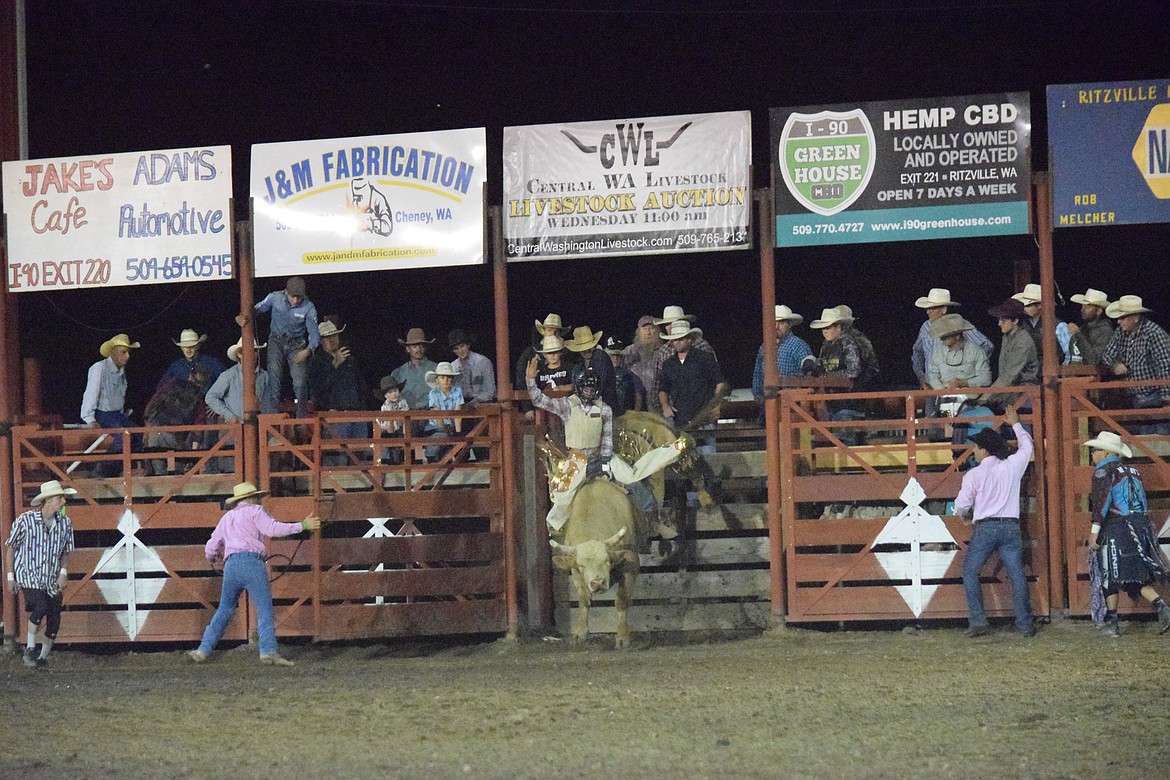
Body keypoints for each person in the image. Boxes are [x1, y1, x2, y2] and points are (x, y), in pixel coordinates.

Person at [188, 482, 320, 666]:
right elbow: (272, 529)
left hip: (231, 566)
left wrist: (212, 557)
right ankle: (268, 651)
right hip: (253, 563)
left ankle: (203, 650)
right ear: (251, 497)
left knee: (224, 609)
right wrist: (303, 525)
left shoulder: (227, 518)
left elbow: (211, 547)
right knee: (264, 610)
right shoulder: (256, 511)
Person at [953, 407, 1036, 638]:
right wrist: (1016, 424)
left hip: (986, 527)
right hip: (1010, 526)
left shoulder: (974, 475)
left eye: (976, 448)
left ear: (984, 450)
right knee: (1016, 574)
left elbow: (961, 505)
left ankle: (979, 621)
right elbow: (1027, 447)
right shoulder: (1011, 467)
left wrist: (964, 516)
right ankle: (1024, 624)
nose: (974, 452)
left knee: (970, 572)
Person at [1083, 430, 1170, 636]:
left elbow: (1102, 503)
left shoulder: (1103, 473)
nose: (1092, 455)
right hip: (1140, 525)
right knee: (1136, 574)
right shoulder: (1133, 471)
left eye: (1095, 451)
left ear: (1105, 453)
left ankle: (1112, 622)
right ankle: (1162, 607)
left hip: (1118, 527)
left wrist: (1094, 530)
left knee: (1109, 573)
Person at [5, 480, 76, 669]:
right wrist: (11, 576)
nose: (63, 502)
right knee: (41, 606)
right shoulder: (25, 520)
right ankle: (29, 648)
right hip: (29, 574)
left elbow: (65, 551)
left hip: (50, 576)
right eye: (60, 498)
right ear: (49, 500)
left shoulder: (65, 523)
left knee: (54, 618)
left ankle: (42, 658)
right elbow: (11, 548)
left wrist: (63, 572)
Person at [204, 339, 279, 474]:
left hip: (257, 432)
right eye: (249, 351)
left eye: (255, 351)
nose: (253, 354)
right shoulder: (229, 375)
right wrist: (229, 416)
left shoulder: (264, 376)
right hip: (235, 432)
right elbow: (210, 397)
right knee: (234, 470)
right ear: (239, 354)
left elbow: (269, 404)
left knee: (259, 470)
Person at [249, 277, 319, 417]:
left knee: (299, 382)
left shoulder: (309, 307)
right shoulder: (274, 298)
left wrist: (308, 350)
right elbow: (258, 308)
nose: (296, 300)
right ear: (286, 292)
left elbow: (314, 334)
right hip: (276, 340)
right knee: (274, 377)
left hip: (297, 344)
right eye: (293, 296)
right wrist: (249, 314)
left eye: (299, 297)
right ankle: (271, 415)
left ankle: (301, 417)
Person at [308, 320, 369, 464]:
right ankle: (333, 487)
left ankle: (360, 487)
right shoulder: (317, 362)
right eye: (327, 337)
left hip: (356, 414)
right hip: (334, 416)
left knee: (359, 458)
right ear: (321, 341)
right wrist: (335, 364)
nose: (332, 340)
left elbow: (361, 386)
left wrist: (363, 411)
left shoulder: (350, 360)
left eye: (334, 336)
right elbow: (318, 388)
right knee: (336, 459)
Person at [81, 333, 142, 474]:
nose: (128, 356)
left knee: (138, 435)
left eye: (128, 352)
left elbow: (120, 395)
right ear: (113, 352)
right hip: (103, 413)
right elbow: (91, 392)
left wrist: (122, 416)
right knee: (123, 437)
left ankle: (118, 469)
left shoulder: (121, 371)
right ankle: (105, 470)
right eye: (124, 352)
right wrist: (89, 418)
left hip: (115, 414)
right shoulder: (99, 368)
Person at [1100, 295, 1170, 415]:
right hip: (1135, 396)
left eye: (1123, 317)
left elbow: (1164, 366)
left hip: (1155, 395)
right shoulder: (1120, 333)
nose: (1118, 321)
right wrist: (1115, 365)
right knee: (1143, 432)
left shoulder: (1154, 334)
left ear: (1135, 318)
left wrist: (1166, 399)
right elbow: (1107, 354)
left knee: (1157, 432)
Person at [911, 289, 993, 390]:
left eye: (932, 308)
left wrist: (968, 371)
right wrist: (922, 378)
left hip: (956, 386)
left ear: (944, 309)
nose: (928, 312)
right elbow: (917, 352)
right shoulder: (925, 327)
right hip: (931, 386)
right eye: (927, 308)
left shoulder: (958, 326)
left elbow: (986, 345)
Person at [649, 305, 719, 420]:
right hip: (676, 413)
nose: (670, 327)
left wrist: (715, 404)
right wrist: (664, 406)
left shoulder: (701, 347)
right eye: (667, 324)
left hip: (703, 411)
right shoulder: (663, 352)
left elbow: (715, 378)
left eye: (673, 322)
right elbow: (659, 383)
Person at [657, 320, 727, 430]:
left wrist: (716, 405)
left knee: (705, 446)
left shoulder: (705, 358)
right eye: (675, 339)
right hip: (680, 420)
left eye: (680, 339)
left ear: (689, 339)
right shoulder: (668, 364)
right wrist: (665, 405)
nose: (677, 342)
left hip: (704, 418)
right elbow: (663, 388)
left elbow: (720, 382)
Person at [984, 298, 1039, 410]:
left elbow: (1010, 374)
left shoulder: (1023, 341)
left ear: (1015, 321)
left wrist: (987, 395)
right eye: (999, 319)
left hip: (1023, 396)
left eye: (1004, 320)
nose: (999, 323)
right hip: (1009, 393)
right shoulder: (1007, 336)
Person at [752, 304, 813, 404]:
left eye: (781, 322)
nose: (776, 326)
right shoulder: (764, 347)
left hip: (793, 404)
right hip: (769, 403)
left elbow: (809, 377)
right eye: (773, 322)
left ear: (789, 324)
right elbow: (758, 375)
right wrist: (758, 396)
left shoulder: (798, 345)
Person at [926, 313, 992, 396]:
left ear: (957, 336)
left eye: (946, 336)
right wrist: (943, 391)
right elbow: (933, 375)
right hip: (944, 399)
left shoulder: (975, 350)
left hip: (970, 400)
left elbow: (986, 378)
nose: (941, 338)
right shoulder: (938, 352)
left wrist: (964, 383)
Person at [1011, 282, 1070, 365]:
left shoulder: (1058, 326)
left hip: (1052, 374)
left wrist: (1062, 373)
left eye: (1028, 305)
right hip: (1028, 375)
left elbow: (1069, 353)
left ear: (1040, 305)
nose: (1024, 309)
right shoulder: (1021, 325)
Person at [566, 325, 617, 411]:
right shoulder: (578, 366)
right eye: (583, 349)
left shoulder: (600, 356)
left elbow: (598, 385)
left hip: (605, 408)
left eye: (588, 347)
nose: (586, 351)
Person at [157, 328, 226, 392]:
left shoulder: (211, 363)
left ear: (198, 346)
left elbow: (227, 380)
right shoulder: (176, 366)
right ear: (181, 348)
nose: (188, 349)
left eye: (192, 346)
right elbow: (160, 388)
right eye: (185, 347)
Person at [390, 327, 438, 411]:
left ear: (425, 347)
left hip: (432, 415)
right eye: (414, 346)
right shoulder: (398, 373)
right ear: (408, 349)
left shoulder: (436, 369)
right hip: (407, 416)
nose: (418, 349)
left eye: (421, 346)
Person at [622, 314, 663, 413]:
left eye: (652, 328)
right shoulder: (630, 351)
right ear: (638, 332)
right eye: (644, 329)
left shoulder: (664, 352)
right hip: (635, 408)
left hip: (659, 409)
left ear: (658, 331)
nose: (648, 332)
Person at [424, 361, 464, 462]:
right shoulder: (433, 393)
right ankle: (432, 456)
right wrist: (444, 430)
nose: (446, 380)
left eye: (449, 377)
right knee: (442, 436)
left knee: (458, 439)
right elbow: (438, 415)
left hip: (451, 425)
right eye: (443, 377)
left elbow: (457, 413)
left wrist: (457, 432)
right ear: (437, 380)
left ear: (452, 379)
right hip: (435, 426)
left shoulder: (457, 391)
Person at [1067, 288, 1114, 366]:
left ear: (1099, 311)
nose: (1083, 310)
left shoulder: (1106, 332)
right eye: (1082, 306)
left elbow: (1094, 360)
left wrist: (1078, 335)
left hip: (1095, 377)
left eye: (1088, 307)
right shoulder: (1082, 330)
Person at [448, 328, 497, 405]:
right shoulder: (452, 366)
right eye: (456, 348)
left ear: (468, 345)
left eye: (462, 346)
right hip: (460, 405)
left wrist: (475, 401)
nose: (460, 351)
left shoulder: (483, 362)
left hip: (482, 404)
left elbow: (490, 391)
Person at [605, 335, 645, 416]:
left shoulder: (629, 375)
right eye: (612, 355)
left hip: (625, 416)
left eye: (618, 355)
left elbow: (638, 394)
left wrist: (636, 414)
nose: (615, 358)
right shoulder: (601, 373)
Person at [375, 375, 409, 464]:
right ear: (385, 395)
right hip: (389, 430)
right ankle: (386, 459)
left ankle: (402, 458)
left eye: (395, 391)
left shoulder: (403, 402)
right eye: (390, 392)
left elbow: (406, 415)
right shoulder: (385, 406)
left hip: (402, 428)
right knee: (384, 437)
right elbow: (385, 424)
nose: (394, 394)